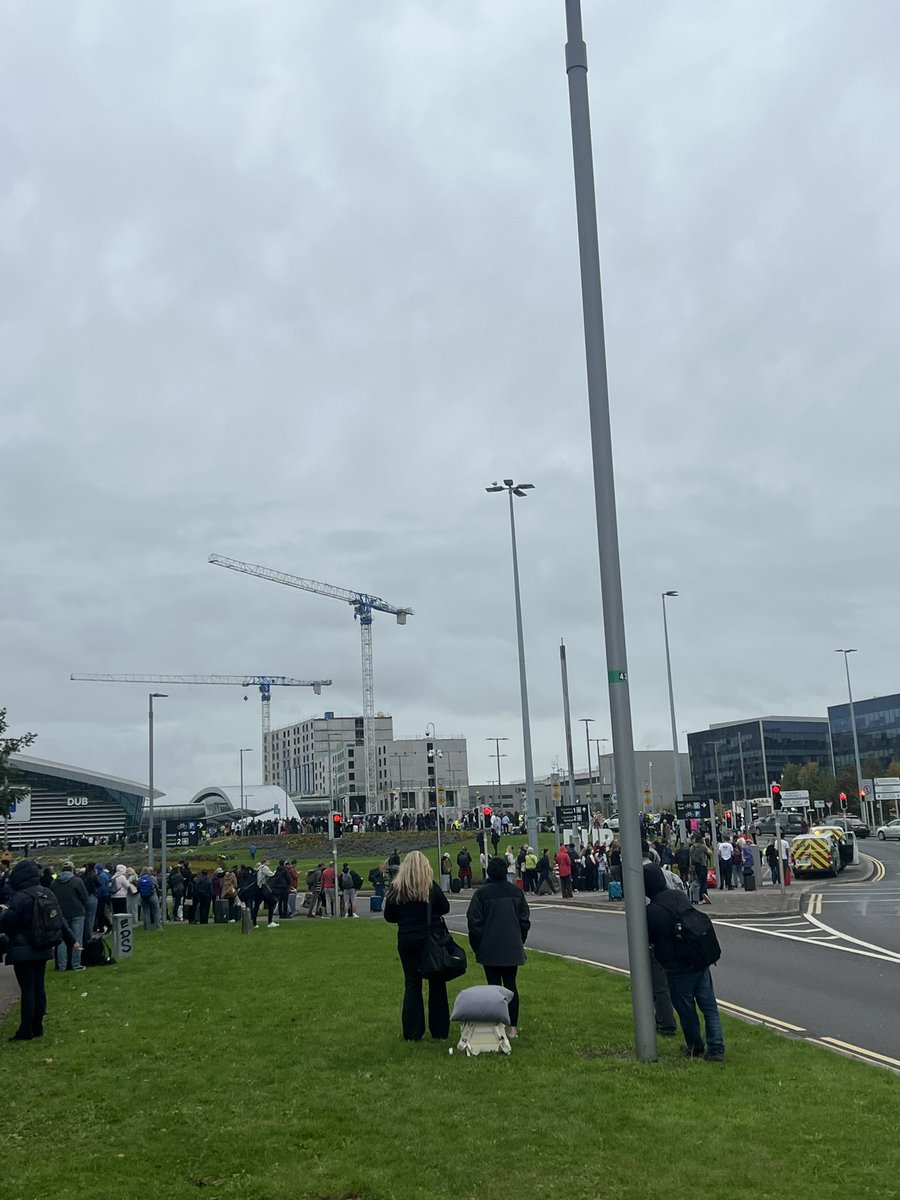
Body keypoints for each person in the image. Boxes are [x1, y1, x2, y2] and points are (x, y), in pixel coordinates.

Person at [643, 863, 725, 1061]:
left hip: (678, 967)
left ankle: (695, 1047)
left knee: (687, 1011)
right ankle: (716, 1048)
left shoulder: (651, 911)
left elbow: (650, 938)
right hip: (699, 958)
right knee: (709, 1007)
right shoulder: (679, 896)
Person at [0, 859, 79, 1041]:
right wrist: (72, 940)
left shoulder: (20, 897)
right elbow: (59, 919)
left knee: (27, 989)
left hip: (22, 947)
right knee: (39, 987)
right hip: (43, 945)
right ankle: (38, 1026)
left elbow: (6, 922)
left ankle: (26, 1029)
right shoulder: (47, 892)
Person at [383, 850, 451, 1041]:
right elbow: (445, 908)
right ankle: (439, 1030)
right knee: (437, 984)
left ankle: (413, 1032)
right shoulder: (430, 887)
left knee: (412, 984)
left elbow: (389, 916)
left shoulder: (397, 889)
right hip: (430, 940)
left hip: (406, 939)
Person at [466, 857, 530, 1037]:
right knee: (511, 986)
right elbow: (524, 920)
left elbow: (474, 923)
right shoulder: (516, 893)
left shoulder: (481, 894)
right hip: (512, 946)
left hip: (489, 947)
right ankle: (513, 1027)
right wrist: (520, 939)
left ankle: (497, 1025)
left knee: (493, 987)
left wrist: (477, 945)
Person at [51, 861, 87, 971]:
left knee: (61, 941)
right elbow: (84, 896)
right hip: (77, 912)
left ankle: (62, 966)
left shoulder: (54, 883)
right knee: (77, 939)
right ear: (72, 869)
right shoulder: (77, 880)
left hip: (61, 914)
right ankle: (76, 964)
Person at [689, 833, 712, 904]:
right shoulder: (702, 846)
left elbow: (690, 857)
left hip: (695, 866)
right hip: (702, 865)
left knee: (699, 881)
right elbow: (710, 853)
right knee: (703, 882)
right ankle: (703, 897)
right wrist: (705, 844)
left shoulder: (692, 847)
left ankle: (699, 897)